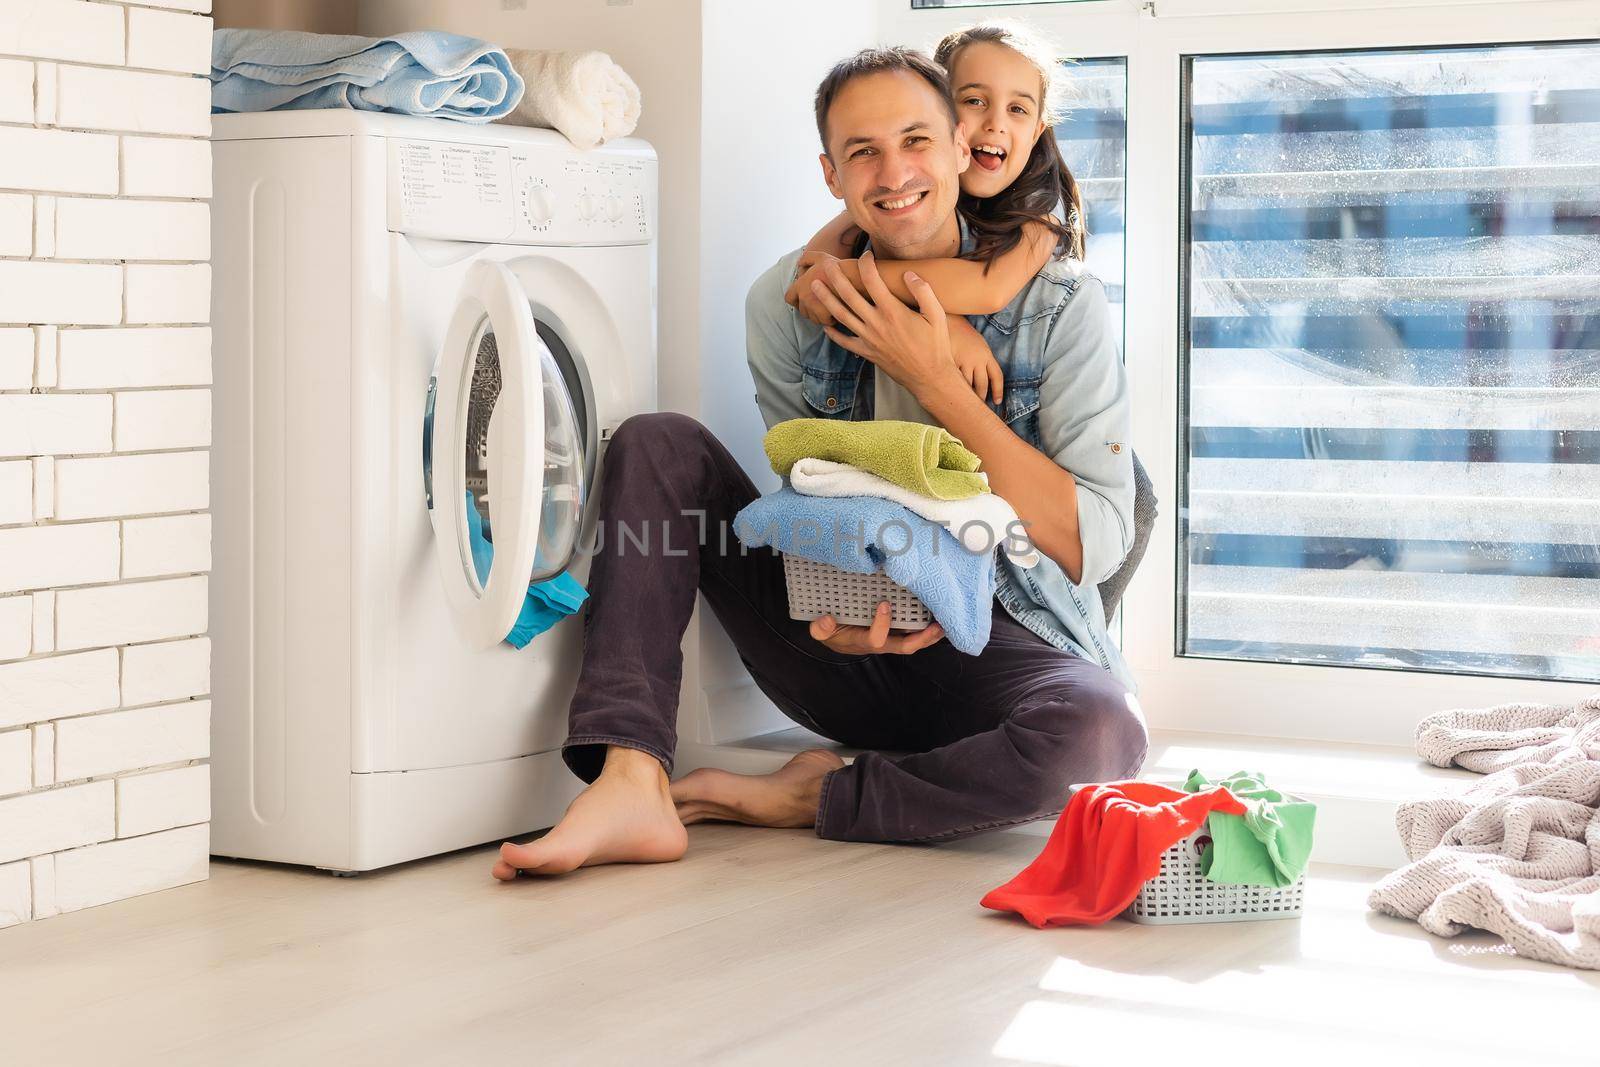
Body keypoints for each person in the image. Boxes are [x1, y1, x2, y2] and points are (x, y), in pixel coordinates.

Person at [492, 45, 1146, 881]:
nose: (895, 171)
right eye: (863, 151)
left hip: (1002, 645)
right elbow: (814, 492)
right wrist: (846, 602)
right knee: (658, 442)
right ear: (832, 175)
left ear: (957, 148)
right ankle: (630, 777)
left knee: (1102, 732)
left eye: (916, 140)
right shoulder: (788, 305)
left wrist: (936, 378)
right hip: (846, 643)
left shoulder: (1062, 307)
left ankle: (818, 794)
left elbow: (1094, 543)